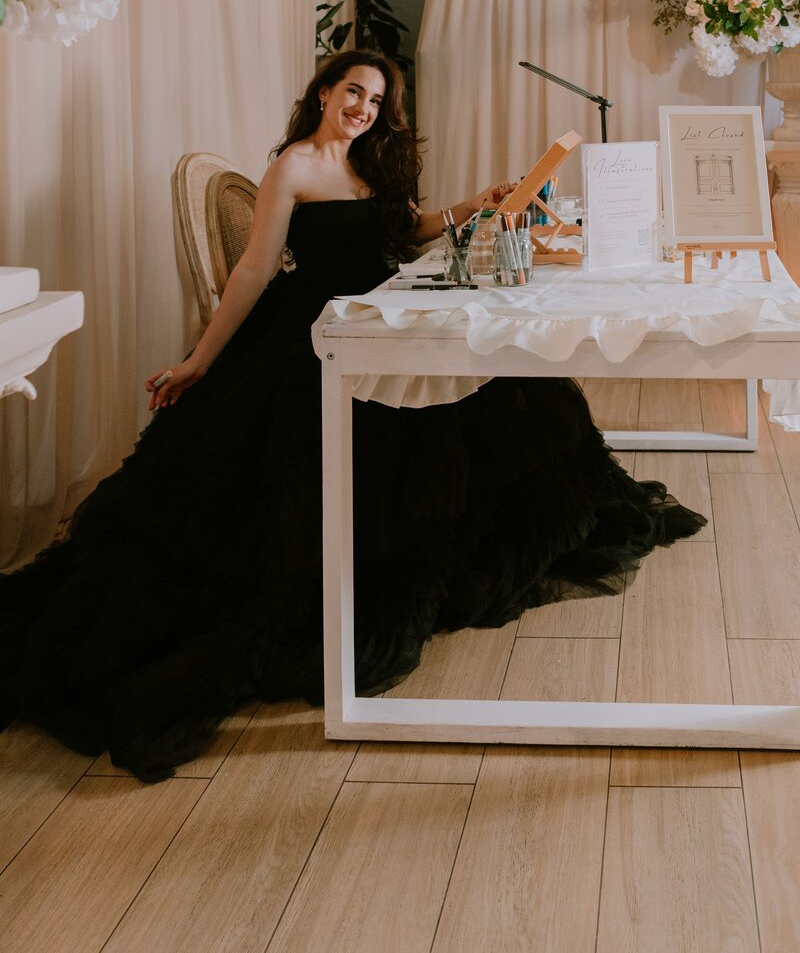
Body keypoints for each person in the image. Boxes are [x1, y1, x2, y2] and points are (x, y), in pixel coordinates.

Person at [0, 51, 705, 781]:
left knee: (518, 388)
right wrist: (199, 361)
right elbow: (252, 270)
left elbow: (402, 233)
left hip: (377, 317)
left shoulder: (369, 164)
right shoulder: (295, 167)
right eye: (354, 92)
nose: (365, 107)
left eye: (377, 99)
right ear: (325, 93)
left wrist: (477, 204)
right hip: (312, 335)